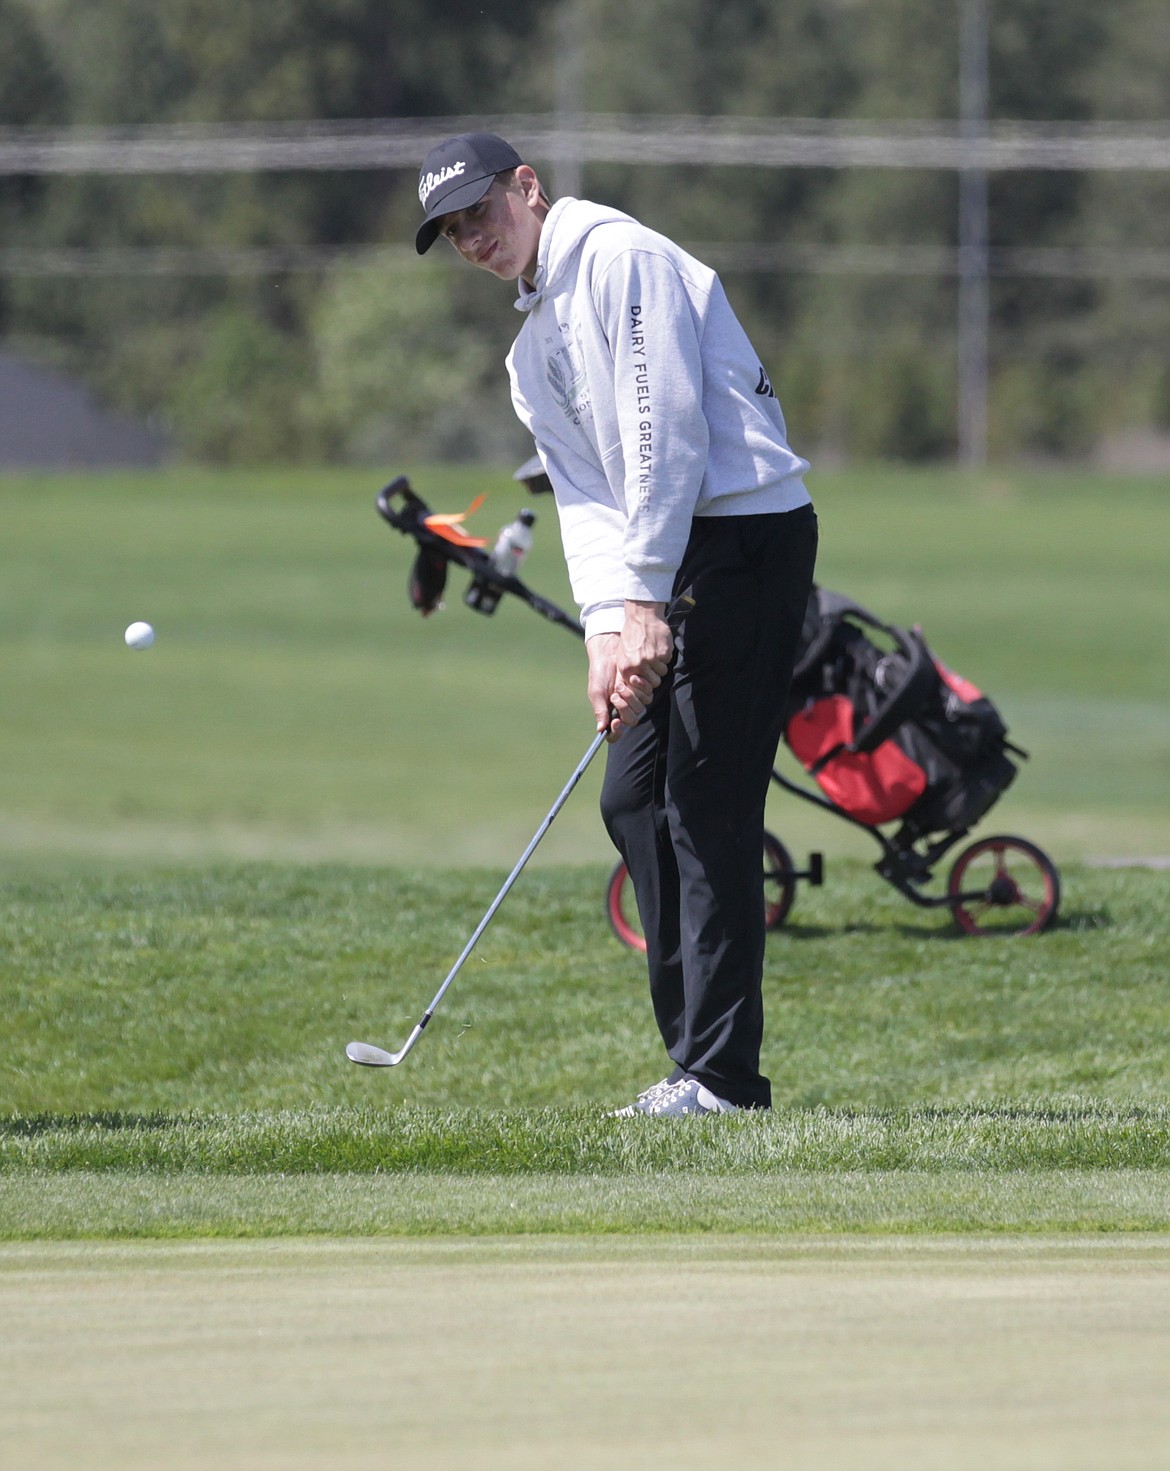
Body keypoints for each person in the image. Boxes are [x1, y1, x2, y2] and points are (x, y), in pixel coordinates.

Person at [415, 132, 818, 1117]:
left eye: (483, 212)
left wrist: (642, 599)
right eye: (455, 230)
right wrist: (607, 629)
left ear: (528, 187)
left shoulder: (616, 257)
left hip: (744, 541)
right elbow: (589, 499)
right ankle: (692, 1066)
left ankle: (726, 1081)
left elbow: (664, 431)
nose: (475, 237)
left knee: (707, 805)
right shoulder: (529, 352)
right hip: (666, 558)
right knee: (635, 801)